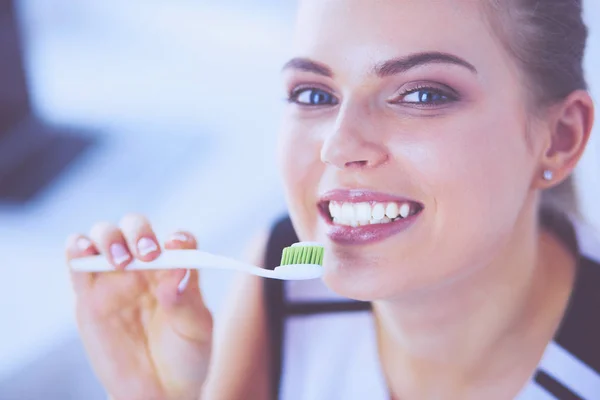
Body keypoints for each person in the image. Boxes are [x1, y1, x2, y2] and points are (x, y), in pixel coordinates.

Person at [64, 0, 599, 399]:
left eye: (422, 95)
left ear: (559, 138)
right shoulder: (281, 274)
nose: (339, 147)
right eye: (314, 95)